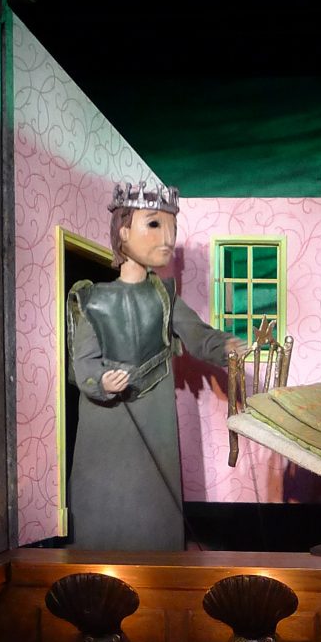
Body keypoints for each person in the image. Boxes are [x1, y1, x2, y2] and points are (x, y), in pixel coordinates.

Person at [67, 179, 238, 551]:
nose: (168, 238)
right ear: (123, 231)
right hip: (106, 422)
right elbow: (82, 363)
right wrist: (101, 382)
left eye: (172, 227)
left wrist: (227, 347)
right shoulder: (93, 299)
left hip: (154, 414)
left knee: (155, 504)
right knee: (103, 505)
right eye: (155, 224)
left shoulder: (165, 296)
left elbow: (198, 335)